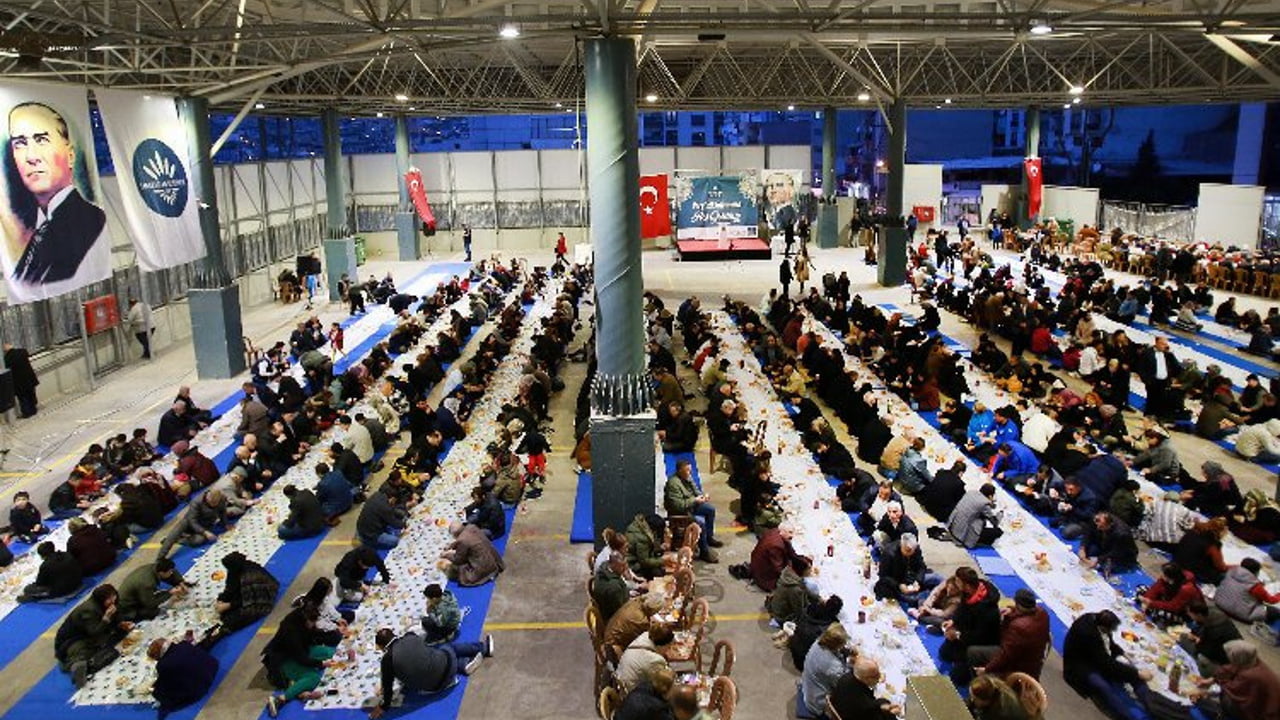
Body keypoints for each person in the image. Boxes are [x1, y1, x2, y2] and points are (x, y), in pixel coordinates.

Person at [7, 102, 106, 285]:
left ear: (70, 156)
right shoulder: (38, 231)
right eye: (20, 143)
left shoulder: (91, 220)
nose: (31, 157)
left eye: (41, 140)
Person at [368, 628, 493, 719]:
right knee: (448, 648)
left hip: (433, 687)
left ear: (382, 647)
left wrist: (383, 707)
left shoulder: (387, 661)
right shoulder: (410, 637)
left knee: (436, 659)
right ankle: (482, 648)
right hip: (447, 665)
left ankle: (464, 664)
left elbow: (388, 688)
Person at [1062, 610, 1152, 720]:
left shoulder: (1097, 620)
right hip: (1079, 662)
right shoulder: (1088, 633)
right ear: (1103, 627)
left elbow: (1110, 643)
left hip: (1096, 657)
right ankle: (1127, 716)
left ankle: (1152, 704)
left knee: (1131, 670)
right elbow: (1105, 663)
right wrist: (1136, 673)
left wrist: (1123, 653)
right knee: (1103, 686)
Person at [263, 603, 339, 716]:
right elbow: (302, 658)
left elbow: (311, 640)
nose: (314, 624)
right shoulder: (291, 633)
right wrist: (321, 663)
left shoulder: (302, 620)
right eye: (312, 622)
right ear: (307, 620)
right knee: (313, 677)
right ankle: (281, 699)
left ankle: (301, 692)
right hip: (284, 661)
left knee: (329, 652)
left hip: (301, 651)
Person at [54, 584, 132, 688]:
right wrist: (106, 618)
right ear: (101, 599)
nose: (112, 600)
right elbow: (94, 631)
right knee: (90, 651)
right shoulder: (89, 610)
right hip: (71, 640)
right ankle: (74, 665)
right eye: (108, 599)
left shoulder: (108, 603)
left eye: (113, 596)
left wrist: (119, 622)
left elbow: (117, 615)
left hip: (87, 634)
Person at [969, 589, 1051, 680]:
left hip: (1018, 667)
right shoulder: (1043, 613)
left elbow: (1005, 656)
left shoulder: (1019, 628)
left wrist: (986, 669)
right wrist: (1012, 611)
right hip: (1034, 661)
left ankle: (981, 685)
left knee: (973, 652)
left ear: (1018, 604)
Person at [941, 567, 1003, 684]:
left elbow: (980, 636)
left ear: (967, 585)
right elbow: (962, 608)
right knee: (945, 653)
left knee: (957, 677)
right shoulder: (968, 593)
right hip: (966, 632)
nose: (955, 583)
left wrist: (958, 635)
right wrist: (954, 621)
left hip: (981, 642)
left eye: (958, 581)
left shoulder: (988, 610)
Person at [1201, 639, 1280, 720]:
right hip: (1270, 703)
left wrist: (1206, 691)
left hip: (1265, 712)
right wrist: (1213, 679)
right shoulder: (1252, 660)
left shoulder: (1250, 675)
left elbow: (1232, 690)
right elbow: (1232, 667)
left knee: (1225, 698)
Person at [663, 459, 722, 563]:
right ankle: (704, 551)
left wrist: (702, 496)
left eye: (690, 470)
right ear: (680, 471)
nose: (690, 473)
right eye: (687, 471)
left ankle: (709, 537)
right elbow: (678, 506)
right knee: (701, 522)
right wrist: (694, 500)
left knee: (710, 510)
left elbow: (695, 491)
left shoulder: (687, 478)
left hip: (691, 506)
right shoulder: (673, 484)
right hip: (682, 512)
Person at [149, 635, 219, 719]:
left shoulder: (163, 665)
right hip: (211, 669)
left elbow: (167, 685)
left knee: (161, 693)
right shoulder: (183, 644)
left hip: (199, 686)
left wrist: (155, 690)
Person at [213, 551, 280, 637]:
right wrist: (221, 599)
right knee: (224, 612)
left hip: (260, 596)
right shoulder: (234, 571)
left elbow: (251, 599)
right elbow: (230, 587)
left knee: (231, 620)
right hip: (246, 593)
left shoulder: (250, 577)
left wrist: (229, 605)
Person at [874, 533, 941, 606]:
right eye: (907, 551)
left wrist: (918, 581)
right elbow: (883, 575)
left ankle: (933, 597)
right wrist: (899, 585)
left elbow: (921, 566)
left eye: (912, 551)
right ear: (901, 545)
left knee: (937, 578)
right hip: (897, 581)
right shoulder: (889, 553)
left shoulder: (915, 550)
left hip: (912, 577)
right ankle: (925, 597)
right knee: (911, 599)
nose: (910, 553)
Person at [158, 489, 227, 558]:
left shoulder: (222, 498)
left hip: (205, 524)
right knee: (172, 536)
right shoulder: (196, 502)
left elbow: (222, 511)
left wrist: (225, 524)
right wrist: (205, 532)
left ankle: (180, 540)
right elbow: (192, 521)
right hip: (189, 523)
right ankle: (161, 555)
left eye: (215, 504)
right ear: (207, 498)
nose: (213, 506)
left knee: (199, 540)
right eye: (211, 503)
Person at [1180, 600, 1241, 677]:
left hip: (1224, 659)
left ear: (1198, 614)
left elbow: (1205, 651)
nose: (1189, 615)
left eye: (1190, 614)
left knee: (1185, 641)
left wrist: (1197, 640)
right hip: (1230, 649)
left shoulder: (1213, 629)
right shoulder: (1213, 612)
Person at [827, 656, 900, 720]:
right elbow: (871, 710)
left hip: (843, 709)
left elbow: (872, 705)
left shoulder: (845, 677)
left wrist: (882, 705)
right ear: (866, 678)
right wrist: (891, 714)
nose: (879, 677)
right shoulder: (863, 703)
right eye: (875, 676)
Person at [802, 623, 851, 716]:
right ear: (837, 645)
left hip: (808, 687)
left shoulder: (819, 642)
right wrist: (852, 666)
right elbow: (842, 686)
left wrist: (847, 652)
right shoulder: (833, 666)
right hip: (817, 702)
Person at [1214, 557, 1280, 625]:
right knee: (1275, 611)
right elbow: (1271, 600)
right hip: (1240, 614)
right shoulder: (1254, 586)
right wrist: (1278, 595)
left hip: (1219, 602)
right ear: (1256, 572)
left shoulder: (1231, 571)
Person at [117, 557, 187, 621]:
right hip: (128, 606)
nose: (171, 573)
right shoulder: (147, 583)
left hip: (137, 593)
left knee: (163, 594)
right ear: (161, 573)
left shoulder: (156, 567)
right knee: (155, 611)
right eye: (170, 572)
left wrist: (180, 582)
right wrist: (170, 593)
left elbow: (172, 571)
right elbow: (150, 604)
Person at [441, 520, 504, 586]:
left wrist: (446, 555)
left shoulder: (462, 541)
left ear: (455, 534)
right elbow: (469, 540)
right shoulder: (471, 527)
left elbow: (458, 559)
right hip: (492, 558)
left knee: (454, 568)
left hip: (482, 567)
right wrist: (451, 546)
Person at [748, 523, 808, 592]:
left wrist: (803, 560)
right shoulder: (776, 545)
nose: (792, 536)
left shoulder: (775, 531)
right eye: (790, 532)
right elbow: (779, 568)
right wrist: (795, 576)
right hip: (764, 575)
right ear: (782, 531)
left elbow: (789, 551)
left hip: (758, 563)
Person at [18, 540, 83, 601]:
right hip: (78, 580)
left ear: (43, 556)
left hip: (65, 589)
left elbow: (40, 583)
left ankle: (34, 597)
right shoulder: (66, 554)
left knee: (28, 589)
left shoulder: (45, 566)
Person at [947, 483, 1002, 548]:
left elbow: (975, 505)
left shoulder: (971, 493)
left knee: (979, 518)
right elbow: (995, 522)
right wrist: (1000, 513)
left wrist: (990, 504)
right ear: (990, 496)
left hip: (952, 526)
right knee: (997, 532)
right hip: (960, 535)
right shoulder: (984, 504)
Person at [3, 343, 38, 417]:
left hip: (18, 382)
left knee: (23, 398)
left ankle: (27, 413)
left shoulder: (7, 359)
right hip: (29, 379)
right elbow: (27, 354)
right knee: (31, 394)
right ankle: (34, 410)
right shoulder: (22, 351)